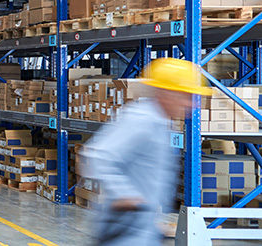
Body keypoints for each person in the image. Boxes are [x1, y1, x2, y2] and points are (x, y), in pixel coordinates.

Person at [79, 58, 211, 246]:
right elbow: (98, 155)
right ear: (167, 93)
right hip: (124, 228)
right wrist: (127, 196)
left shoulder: (161, 122)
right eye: (186, 96)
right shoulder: (141, 120)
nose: (192, 104)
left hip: (141, 228)